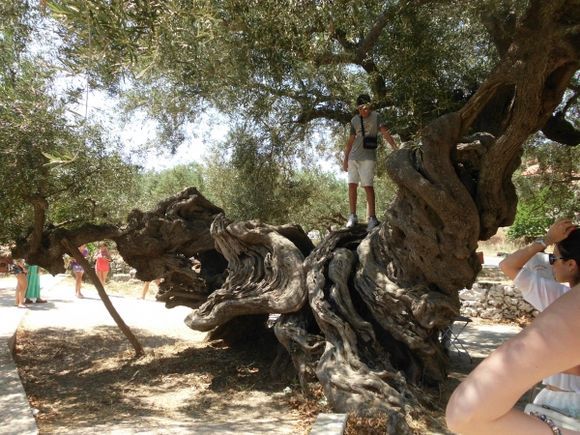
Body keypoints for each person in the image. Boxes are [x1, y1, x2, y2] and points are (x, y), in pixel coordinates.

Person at [446, 218, 580, 434]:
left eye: (554, 258)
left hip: (566, 407)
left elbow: (509, 265)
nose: (551, 262)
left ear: (571, 265)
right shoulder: (557, 295)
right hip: (552, 402)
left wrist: (546, 240)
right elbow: (506, 266)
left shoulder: (557, 297)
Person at [342, 94, 398, 231]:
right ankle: (353, 216)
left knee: (368, 186)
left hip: (368, 157)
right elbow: (350, 141)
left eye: (365, 108)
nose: (363, 111)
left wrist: (396, 148)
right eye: (360, 109)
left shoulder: (377, 116)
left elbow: (385, 132)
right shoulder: (354, 120)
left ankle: (372, 218)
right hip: (353, 157)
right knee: (351, 185)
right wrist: (345, 159)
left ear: (370, 106)